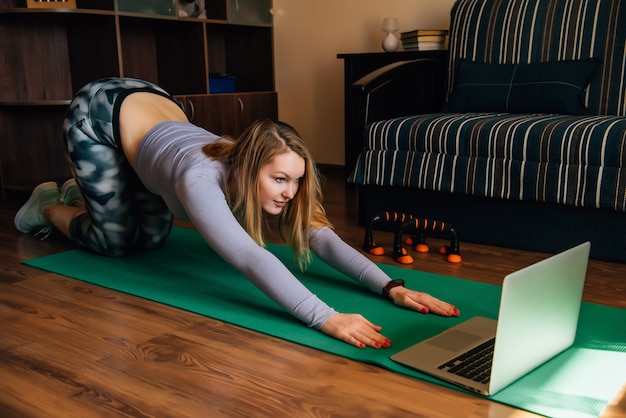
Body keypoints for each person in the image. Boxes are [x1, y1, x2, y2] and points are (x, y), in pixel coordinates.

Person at [14, 77, 460, 349]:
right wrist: (325, 316)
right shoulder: (199, 179)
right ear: (248, 166)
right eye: (279, 180)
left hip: (152, 101)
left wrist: (390, 287)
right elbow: (250, 257)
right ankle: (50, 204)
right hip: (101, 110)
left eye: (297, 180)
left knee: (150, 239)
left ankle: (91, 195)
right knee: (115, 243)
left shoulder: (255, 162)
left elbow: (320, 237)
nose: (290, 192)